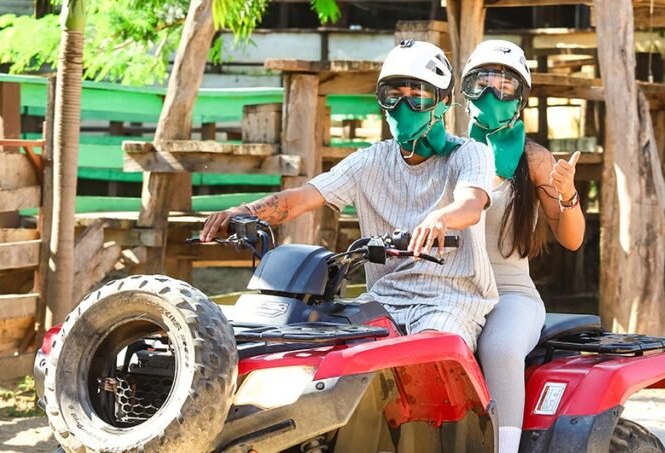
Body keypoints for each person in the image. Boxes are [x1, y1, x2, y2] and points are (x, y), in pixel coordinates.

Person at [202, 40, 497, 351]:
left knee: (433, 352)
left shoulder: (469, 153)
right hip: (384, 299)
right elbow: (301, 198)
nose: (403, 107)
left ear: (443, 102)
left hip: (452, 301)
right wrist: (244, 210)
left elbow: (471, 204)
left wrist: (441, 217)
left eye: (417, 97)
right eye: (393, 95)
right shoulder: (370, 161)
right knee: (322, 350)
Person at [461, 40, 587, 453]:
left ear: (522, 96)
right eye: (482, 82)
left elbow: (571, 239)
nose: (493, 91)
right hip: (450, 290)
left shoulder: (532, 160)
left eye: (505, 83)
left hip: (510, 294)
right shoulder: (448, 151)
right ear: (463, 92)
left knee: (500, 347)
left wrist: (568, 192)